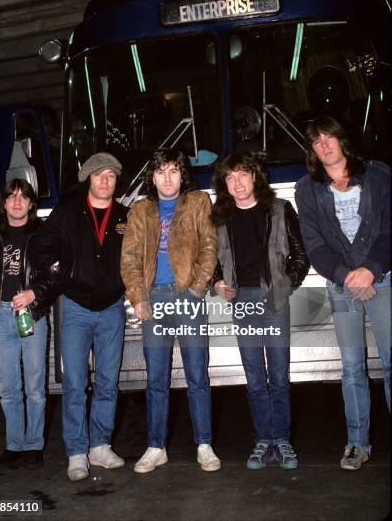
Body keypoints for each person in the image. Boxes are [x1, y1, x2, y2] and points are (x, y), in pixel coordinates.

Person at [295, 116, 390, 471]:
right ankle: (356, 444)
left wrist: (372, 268)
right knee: (352, 367)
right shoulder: (308, 189)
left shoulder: (378, 175)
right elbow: (315, 245)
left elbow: (389, 227)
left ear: (341, 138)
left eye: (328, 136)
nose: (323, 144)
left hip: (384, 278)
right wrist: (346, 275)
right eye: (316, 141)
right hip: (342, 284)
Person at [121, 148, 221, 473]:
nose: (167, 177)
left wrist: (196, 289)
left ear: (182, 175)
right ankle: (155, 446)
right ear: (152, 176)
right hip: (154, 301)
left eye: (174, 171)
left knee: (197, 374)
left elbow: (209, 247)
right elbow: (131, 257)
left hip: (187, 295)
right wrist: (138, 297)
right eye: (161, 171)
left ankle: (204, 445)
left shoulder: (197, 203)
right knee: (157, 378)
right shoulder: (141, 210)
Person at [33, 153, 128, 481]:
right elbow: (41, 248)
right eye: (99, 174)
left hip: (112, 309)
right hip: (74, 307)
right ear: (87, 178)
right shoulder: (67, 213)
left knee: (107, 382)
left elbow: (137, 257)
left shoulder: (124, 216)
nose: (105, 180)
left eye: (111, 176)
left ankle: (100, 446)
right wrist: (64, 272)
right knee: (75, 383)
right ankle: (76, 451)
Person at [211, 153, 309, 470]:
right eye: (230, 177)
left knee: (279, 376)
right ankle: (263, 441)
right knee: (255, 377)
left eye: (242, 175)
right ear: (224, 184)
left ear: (255, 176)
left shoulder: (279, 210)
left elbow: (300, 254)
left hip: (273, 300)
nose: (237, 183)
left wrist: (286, 284)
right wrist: (216, 282)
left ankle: (282, 440)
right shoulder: (220, 218)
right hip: (242, 301)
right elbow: (211, 259)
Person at [0, 178, 55, 470]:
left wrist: (34, 293)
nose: (17, 201)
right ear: (4, 203)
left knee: (35, 386)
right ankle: (14, 446)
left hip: (31, 315)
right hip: (1, 315)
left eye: (23, 196)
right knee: (9, 387)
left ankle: (34, 445)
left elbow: (54, 274)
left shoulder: (43, 235)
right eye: (11, 196)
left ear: (32, 203)